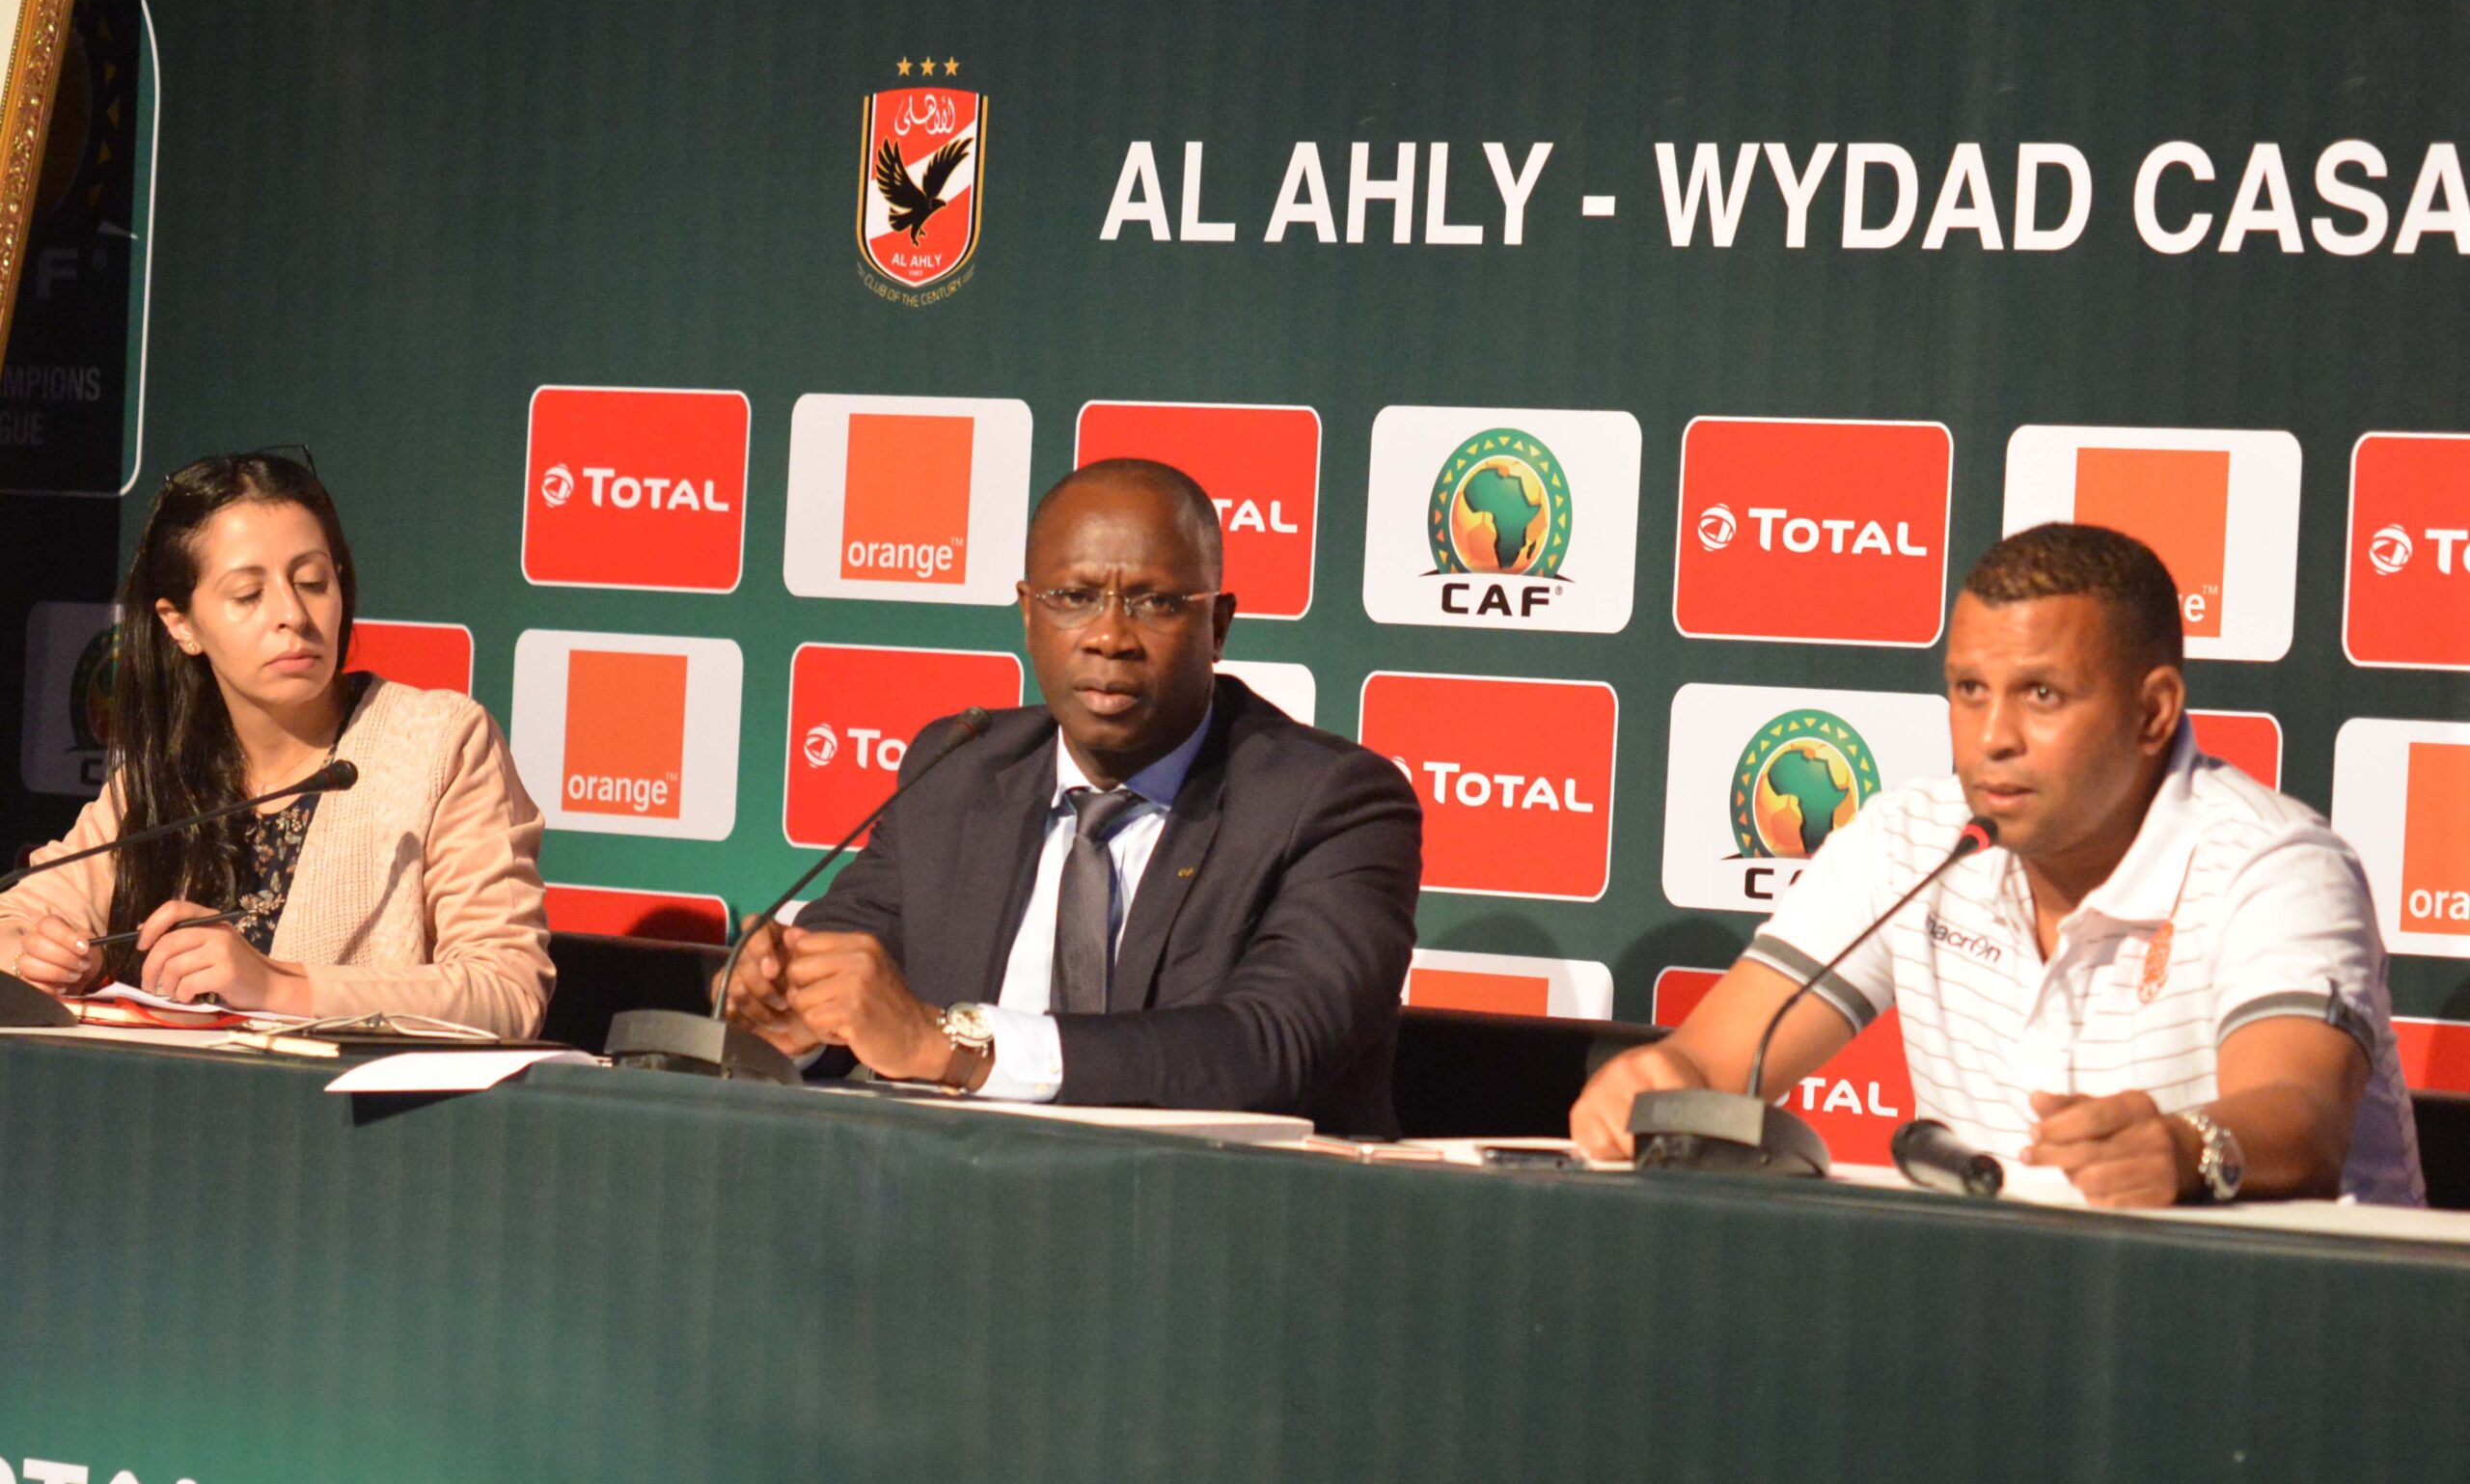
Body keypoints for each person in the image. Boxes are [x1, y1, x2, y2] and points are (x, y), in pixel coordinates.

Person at [1573, 522, 2424, 1207]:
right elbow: (1716, 1065)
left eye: (2042, 695)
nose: (1992, 738)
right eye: (1969, 690)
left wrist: (2179, 1146)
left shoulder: (2275, 866)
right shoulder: (1915, 841)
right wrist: (1653, 1083)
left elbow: (2303, 1119)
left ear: (2154, 712)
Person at [726, 457, 1421, 1134]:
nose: (1110, 638)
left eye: (1154, 603)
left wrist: (956, 1047)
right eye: (1075, 598)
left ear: (1217, 627)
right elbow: (842, 975)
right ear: (1029, 614)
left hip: (1213, 1221)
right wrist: (787, 1007)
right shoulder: (960, 771)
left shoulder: (1330, 802)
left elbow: (1274, 1046)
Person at [0, 452, 553, 1036]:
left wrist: (277, 987)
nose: (293, 614)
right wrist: (33, 955)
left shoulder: (439, 743)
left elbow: (507, 991)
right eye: (248, 595)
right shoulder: (161, 774)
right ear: (181, 624)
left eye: (313, 581)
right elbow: (14, 919)